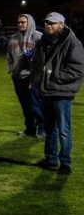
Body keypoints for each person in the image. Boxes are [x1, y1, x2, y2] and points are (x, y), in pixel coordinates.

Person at [32, 12, 84, 175]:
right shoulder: (43, 41)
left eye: (52, 23)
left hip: (62, 93)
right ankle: (51, 159)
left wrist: (53, 75)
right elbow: (38, 63)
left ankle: (65, 163)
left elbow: (77, 70)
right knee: (50, 128)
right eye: (46, 22)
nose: (48, 25)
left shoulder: (72, 42)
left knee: (63, 129)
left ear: (62, 24)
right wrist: (38, 79)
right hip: (47, 91)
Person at [7, 13, 43, 138]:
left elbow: (44, 58)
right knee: (25, 105)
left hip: (32, 77)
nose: (20, 24)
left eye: (23, 22)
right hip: (17, 76)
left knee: (35, 104)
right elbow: (9, 56)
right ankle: (30, 129)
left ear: (30, 22)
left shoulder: (38, 37)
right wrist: (12, 69)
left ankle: (43, 129)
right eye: (18, 22)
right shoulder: (13, 38)